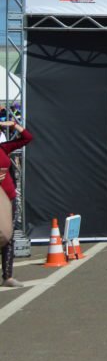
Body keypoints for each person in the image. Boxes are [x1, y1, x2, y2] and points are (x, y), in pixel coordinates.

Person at [0, 118, 32, 288]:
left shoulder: (4, 148)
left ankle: (8, 276)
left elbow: (27, 138)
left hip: (8, 199)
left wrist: (14, 125)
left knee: (8, 237)